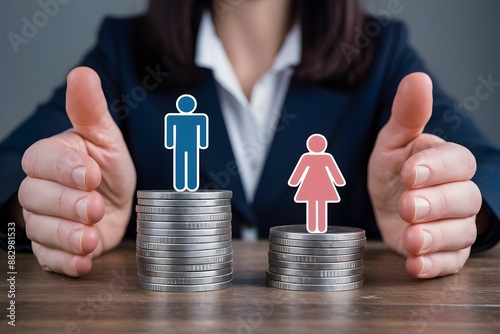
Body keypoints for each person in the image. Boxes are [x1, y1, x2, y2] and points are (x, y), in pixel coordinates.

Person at [0, 0, 499, 279]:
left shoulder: (380, 53)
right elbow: (12, 168)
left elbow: (489, 174)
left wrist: (437, 201)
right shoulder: (125, 50)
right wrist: (59, 197)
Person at [288, 134, 346, 233]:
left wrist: (294, 181)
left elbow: (299, 172)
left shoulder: (309, 157)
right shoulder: (324, 157)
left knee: (314, 204)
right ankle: (318, 227)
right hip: (323, 186)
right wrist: (339, 181)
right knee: (319, 205)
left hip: (311, 186)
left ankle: (315, 227)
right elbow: (334, 172)